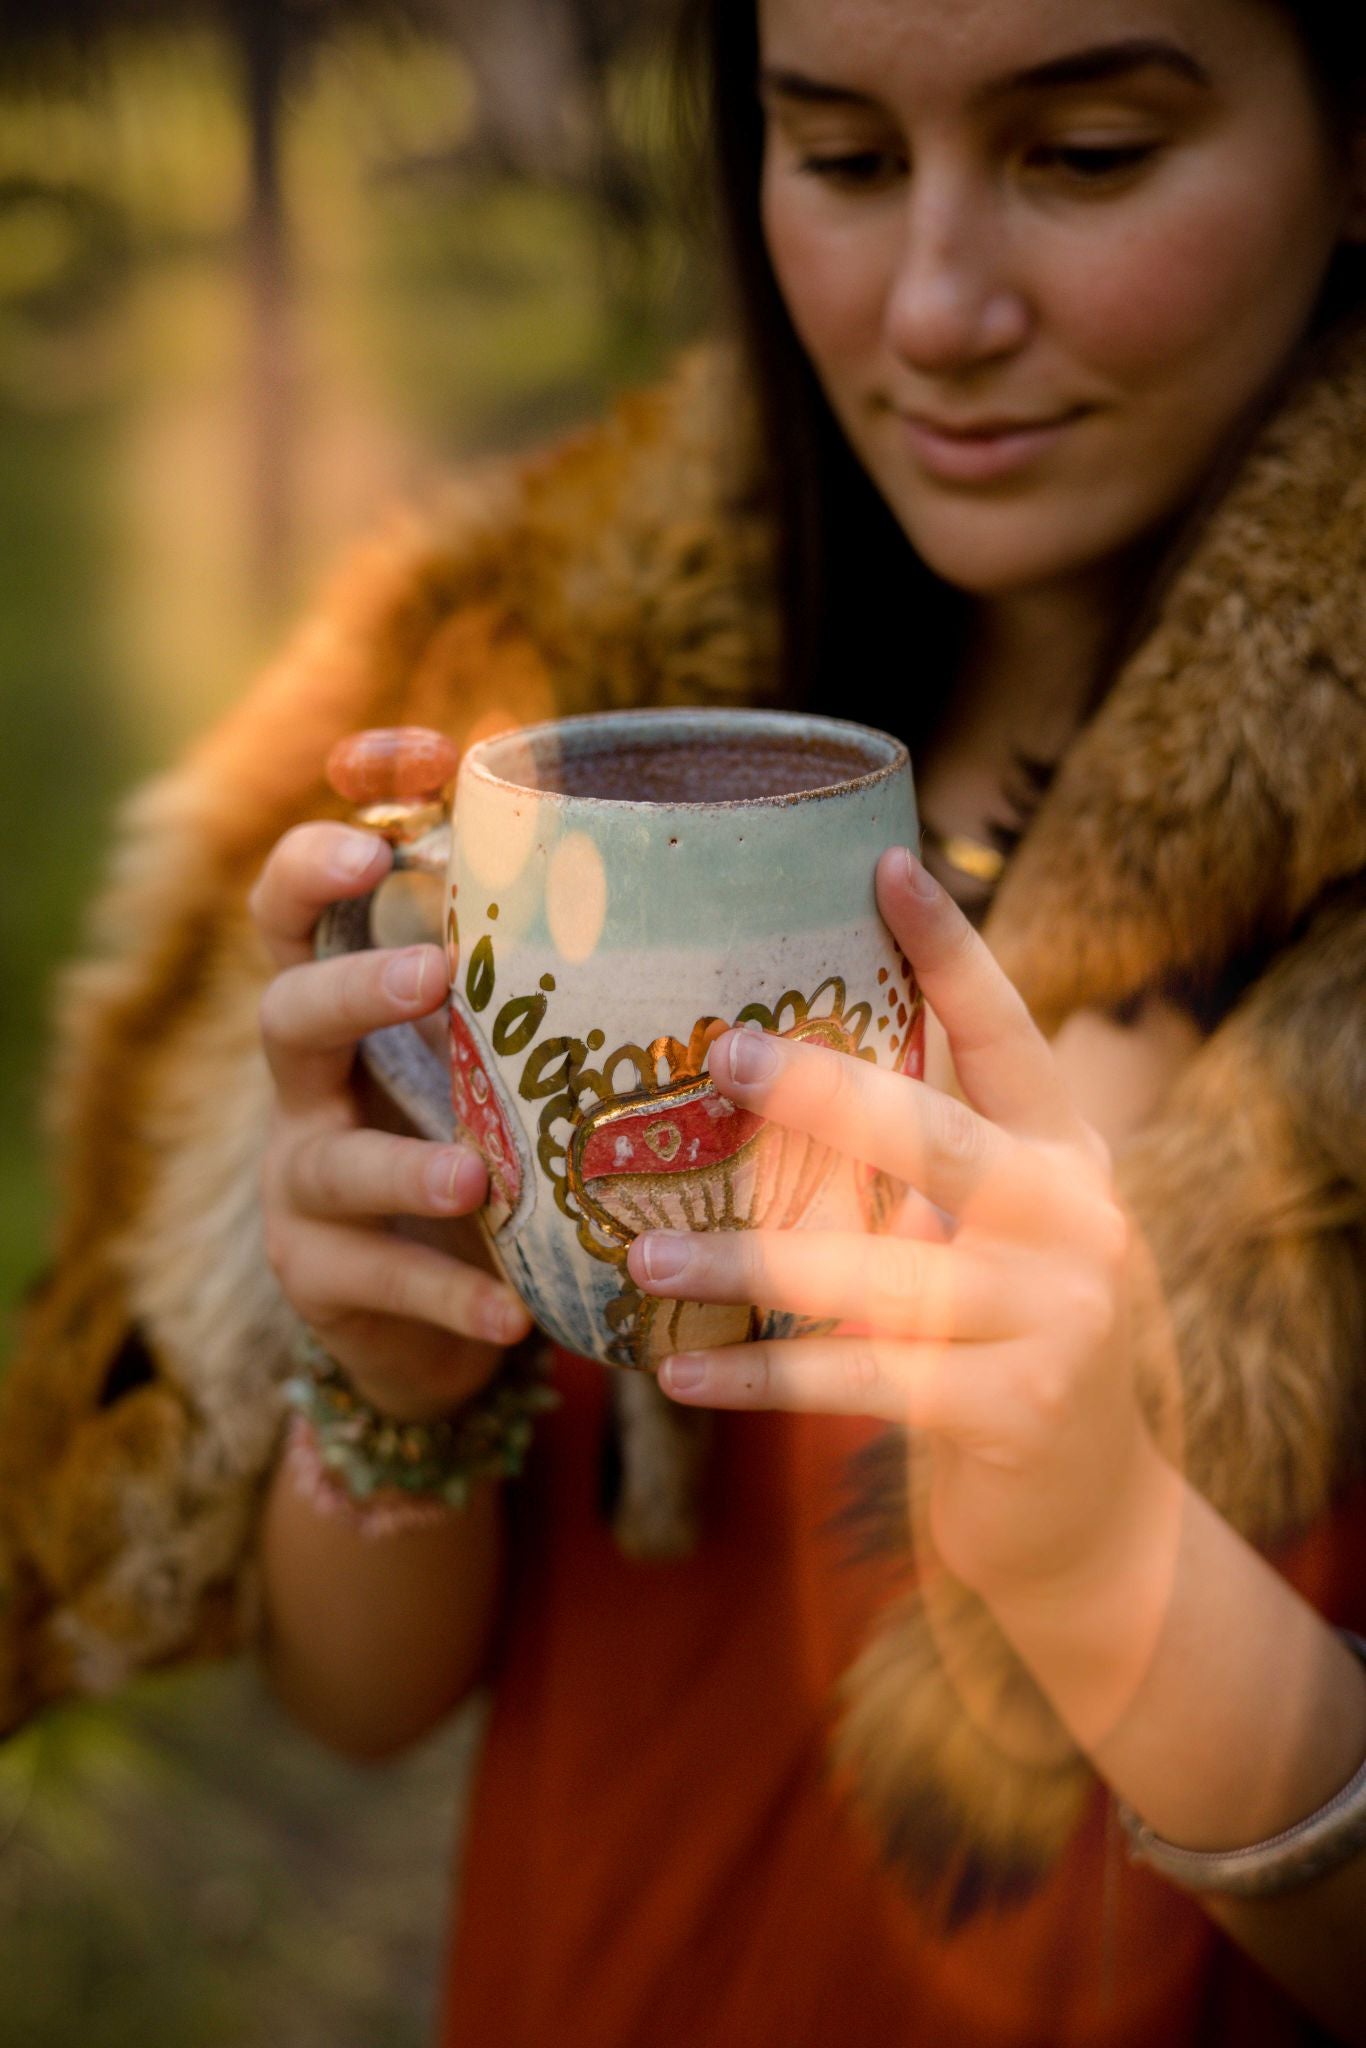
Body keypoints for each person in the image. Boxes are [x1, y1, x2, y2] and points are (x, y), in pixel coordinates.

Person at [3, 0, 1365, 2041]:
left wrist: (1107, 1570)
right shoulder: (601, 739)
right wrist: (388, 1370)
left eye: (1083, 155)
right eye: (832, 155)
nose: (930, 307)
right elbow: (368, 1698)